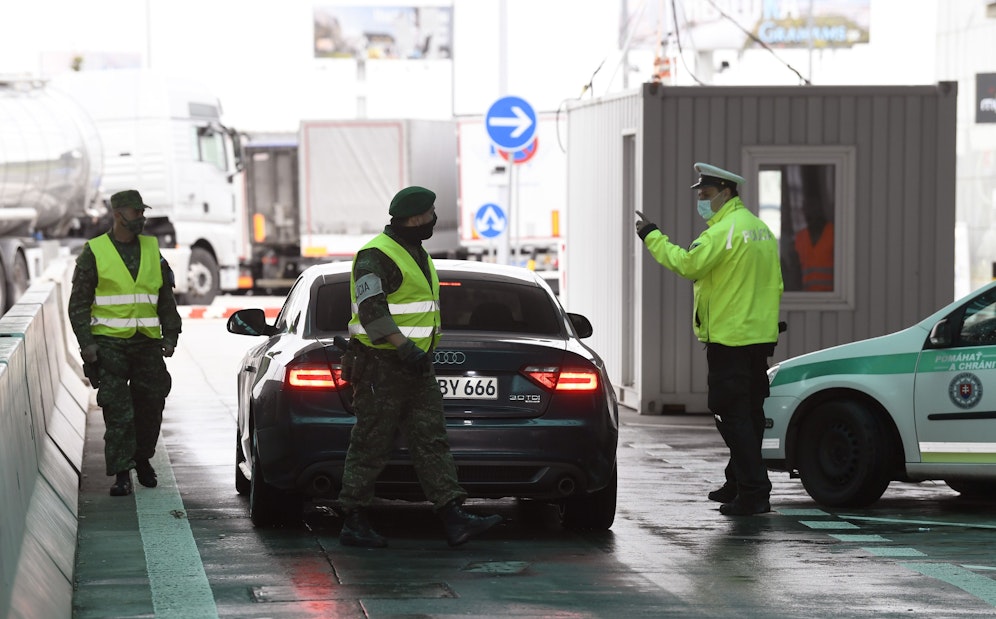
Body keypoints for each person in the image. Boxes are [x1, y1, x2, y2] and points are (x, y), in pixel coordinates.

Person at [337, 185, 503, 547]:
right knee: (370, 442)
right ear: (414, 219)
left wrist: (416, 354)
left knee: (431, 441)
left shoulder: (417, 252)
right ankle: (353, 519)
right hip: (381, 364)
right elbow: (371, 311)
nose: (433, 221)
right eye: (430, 215)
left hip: (416, 365)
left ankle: (452, 515)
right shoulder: (376, 255)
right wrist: (403, 346)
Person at [635, 163, 783, 516]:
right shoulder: (759, 229)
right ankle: (737, 481)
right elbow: (774, 282)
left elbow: (688, 265)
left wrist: (651, 235)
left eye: (705, 195)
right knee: (749, 413)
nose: (701, 201)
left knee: (731, 415)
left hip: (730, 340)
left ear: (726, 193)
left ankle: (753, 491)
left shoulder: (723, 233)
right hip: (758, 338)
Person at [68, 189, 181, 497]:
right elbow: (78, 303)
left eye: (142, 212)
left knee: (151, 403)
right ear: (117, 215)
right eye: (135, 213)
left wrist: (171, 335)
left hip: (146, 344)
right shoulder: (95, 251)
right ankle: (121, 473)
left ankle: (142, 459)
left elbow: (165, 299)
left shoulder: (151, 250)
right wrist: (87, 344)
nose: (141, 218)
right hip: (109, 346)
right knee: (118, 412)